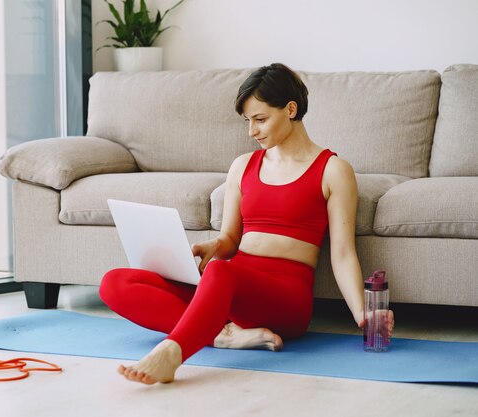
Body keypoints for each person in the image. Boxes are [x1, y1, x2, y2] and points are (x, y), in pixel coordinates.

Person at [99, 63, 395, 385]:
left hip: (285, 298)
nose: (251, 131)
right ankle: (223, 335)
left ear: (291, 110)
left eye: (260, 119)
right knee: (115, 282)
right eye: (247, 121)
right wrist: (215, 246)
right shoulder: (242, 166)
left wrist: (361, 314)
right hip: (230, 288)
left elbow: (342, 253)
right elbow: (230, 238)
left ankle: (173, 353)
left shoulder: (333, 169)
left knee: (221, 271)